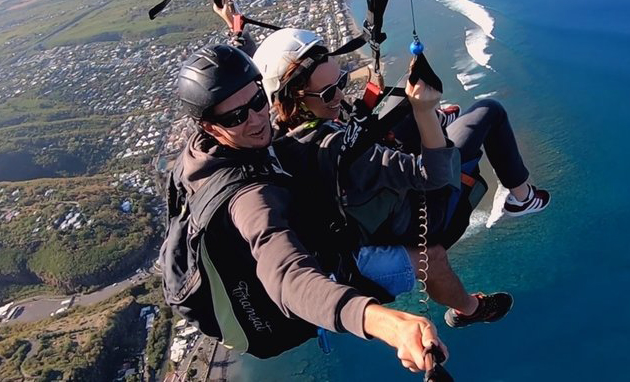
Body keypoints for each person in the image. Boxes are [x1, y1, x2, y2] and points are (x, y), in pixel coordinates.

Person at [163, 43, 448, 372]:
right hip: (277, 312)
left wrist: (237, 33)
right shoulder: (249, 199)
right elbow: (288, 277)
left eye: (258, 102)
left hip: (263, 257)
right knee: (434, 255)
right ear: (210, 127)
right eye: (237, 117)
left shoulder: (201, 152)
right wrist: (388, 325)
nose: (256, 119)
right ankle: (466, 308)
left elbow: (238, 90)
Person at [250, 27, 551, 328]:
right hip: (417, 217)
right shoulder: (342, 152)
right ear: (297, 98)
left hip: (364, 210)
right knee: (488, 112)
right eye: (329, 92)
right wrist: (424, 112)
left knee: (396, 104)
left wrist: (239, 32)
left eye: (340, 81)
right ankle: (521, 198)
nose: (340, 94)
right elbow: (434, 176)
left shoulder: (280, 132)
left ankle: (432, 121)